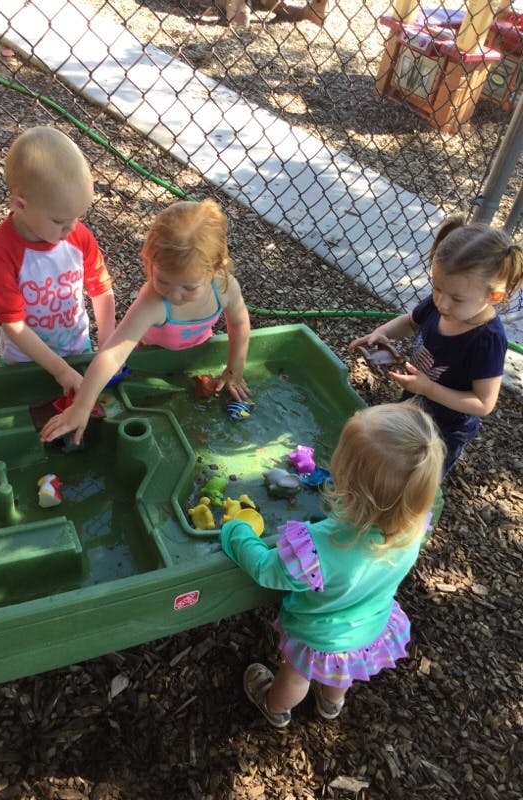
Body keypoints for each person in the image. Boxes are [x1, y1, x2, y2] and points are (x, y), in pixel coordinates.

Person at [220, 401, 444, 729]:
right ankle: (331, 703)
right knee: (340, 673)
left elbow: (266, 569)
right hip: (367, 628)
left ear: (349, 483)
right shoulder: (414, 526)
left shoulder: (320, 545)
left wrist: (237, 531)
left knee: (296, 675)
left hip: (318, 635)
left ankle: (274, 706)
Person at [41, 198, 251, 446]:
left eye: (189, 287)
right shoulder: (153, 301)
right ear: (149, 262)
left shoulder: (225, 288)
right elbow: (112, 354)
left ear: (215, 269)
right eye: (163, 280)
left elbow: (239, 323)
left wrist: (234, 371)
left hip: (196, 354)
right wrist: (82, 406)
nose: (174, 295)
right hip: (148, 360)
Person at [348, 216, 523, 476]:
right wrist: (381, 333)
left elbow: (483, 403)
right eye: (437, 288)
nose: (442, 303)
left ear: (494, 297)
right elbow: (410, 322)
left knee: (421, 478)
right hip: (415, 402)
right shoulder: (439, 304)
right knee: (395, 466)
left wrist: (429, 388)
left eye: (457, 298)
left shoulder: (486, 340)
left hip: (445, 430)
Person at [0, 125, 116, 396]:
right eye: (59, 221)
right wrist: (60, 370)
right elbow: (13, 324)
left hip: (77, 348)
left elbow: (101, 288)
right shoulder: (2, 252)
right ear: (20, 205)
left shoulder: (77, 236)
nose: (71, 229)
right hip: (23, 361)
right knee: (24, 412)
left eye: (77, 217)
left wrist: (107, 342)